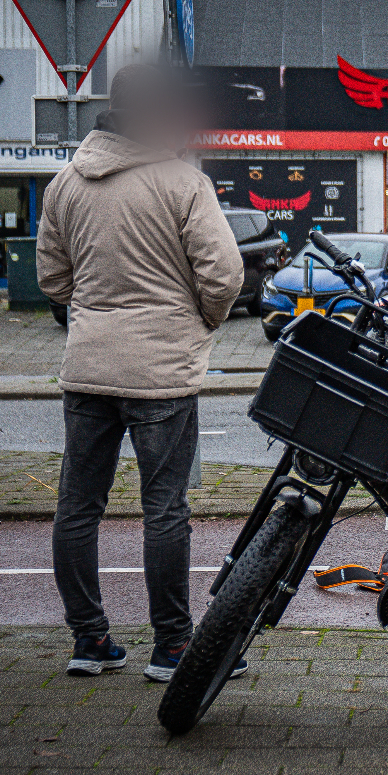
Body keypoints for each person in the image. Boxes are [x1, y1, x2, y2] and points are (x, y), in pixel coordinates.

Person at [37, 64, 244, 680]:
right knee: (164, 509)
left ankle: (89, 640)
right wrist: (200, 321)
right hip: (162, 370)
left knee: (78, 506)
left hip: (89, 366)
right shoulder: (183, 184)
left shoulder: (65, 184)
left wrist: (95, 310)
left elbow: (52, 280)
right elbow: (225, 276)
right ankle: (174, 647)